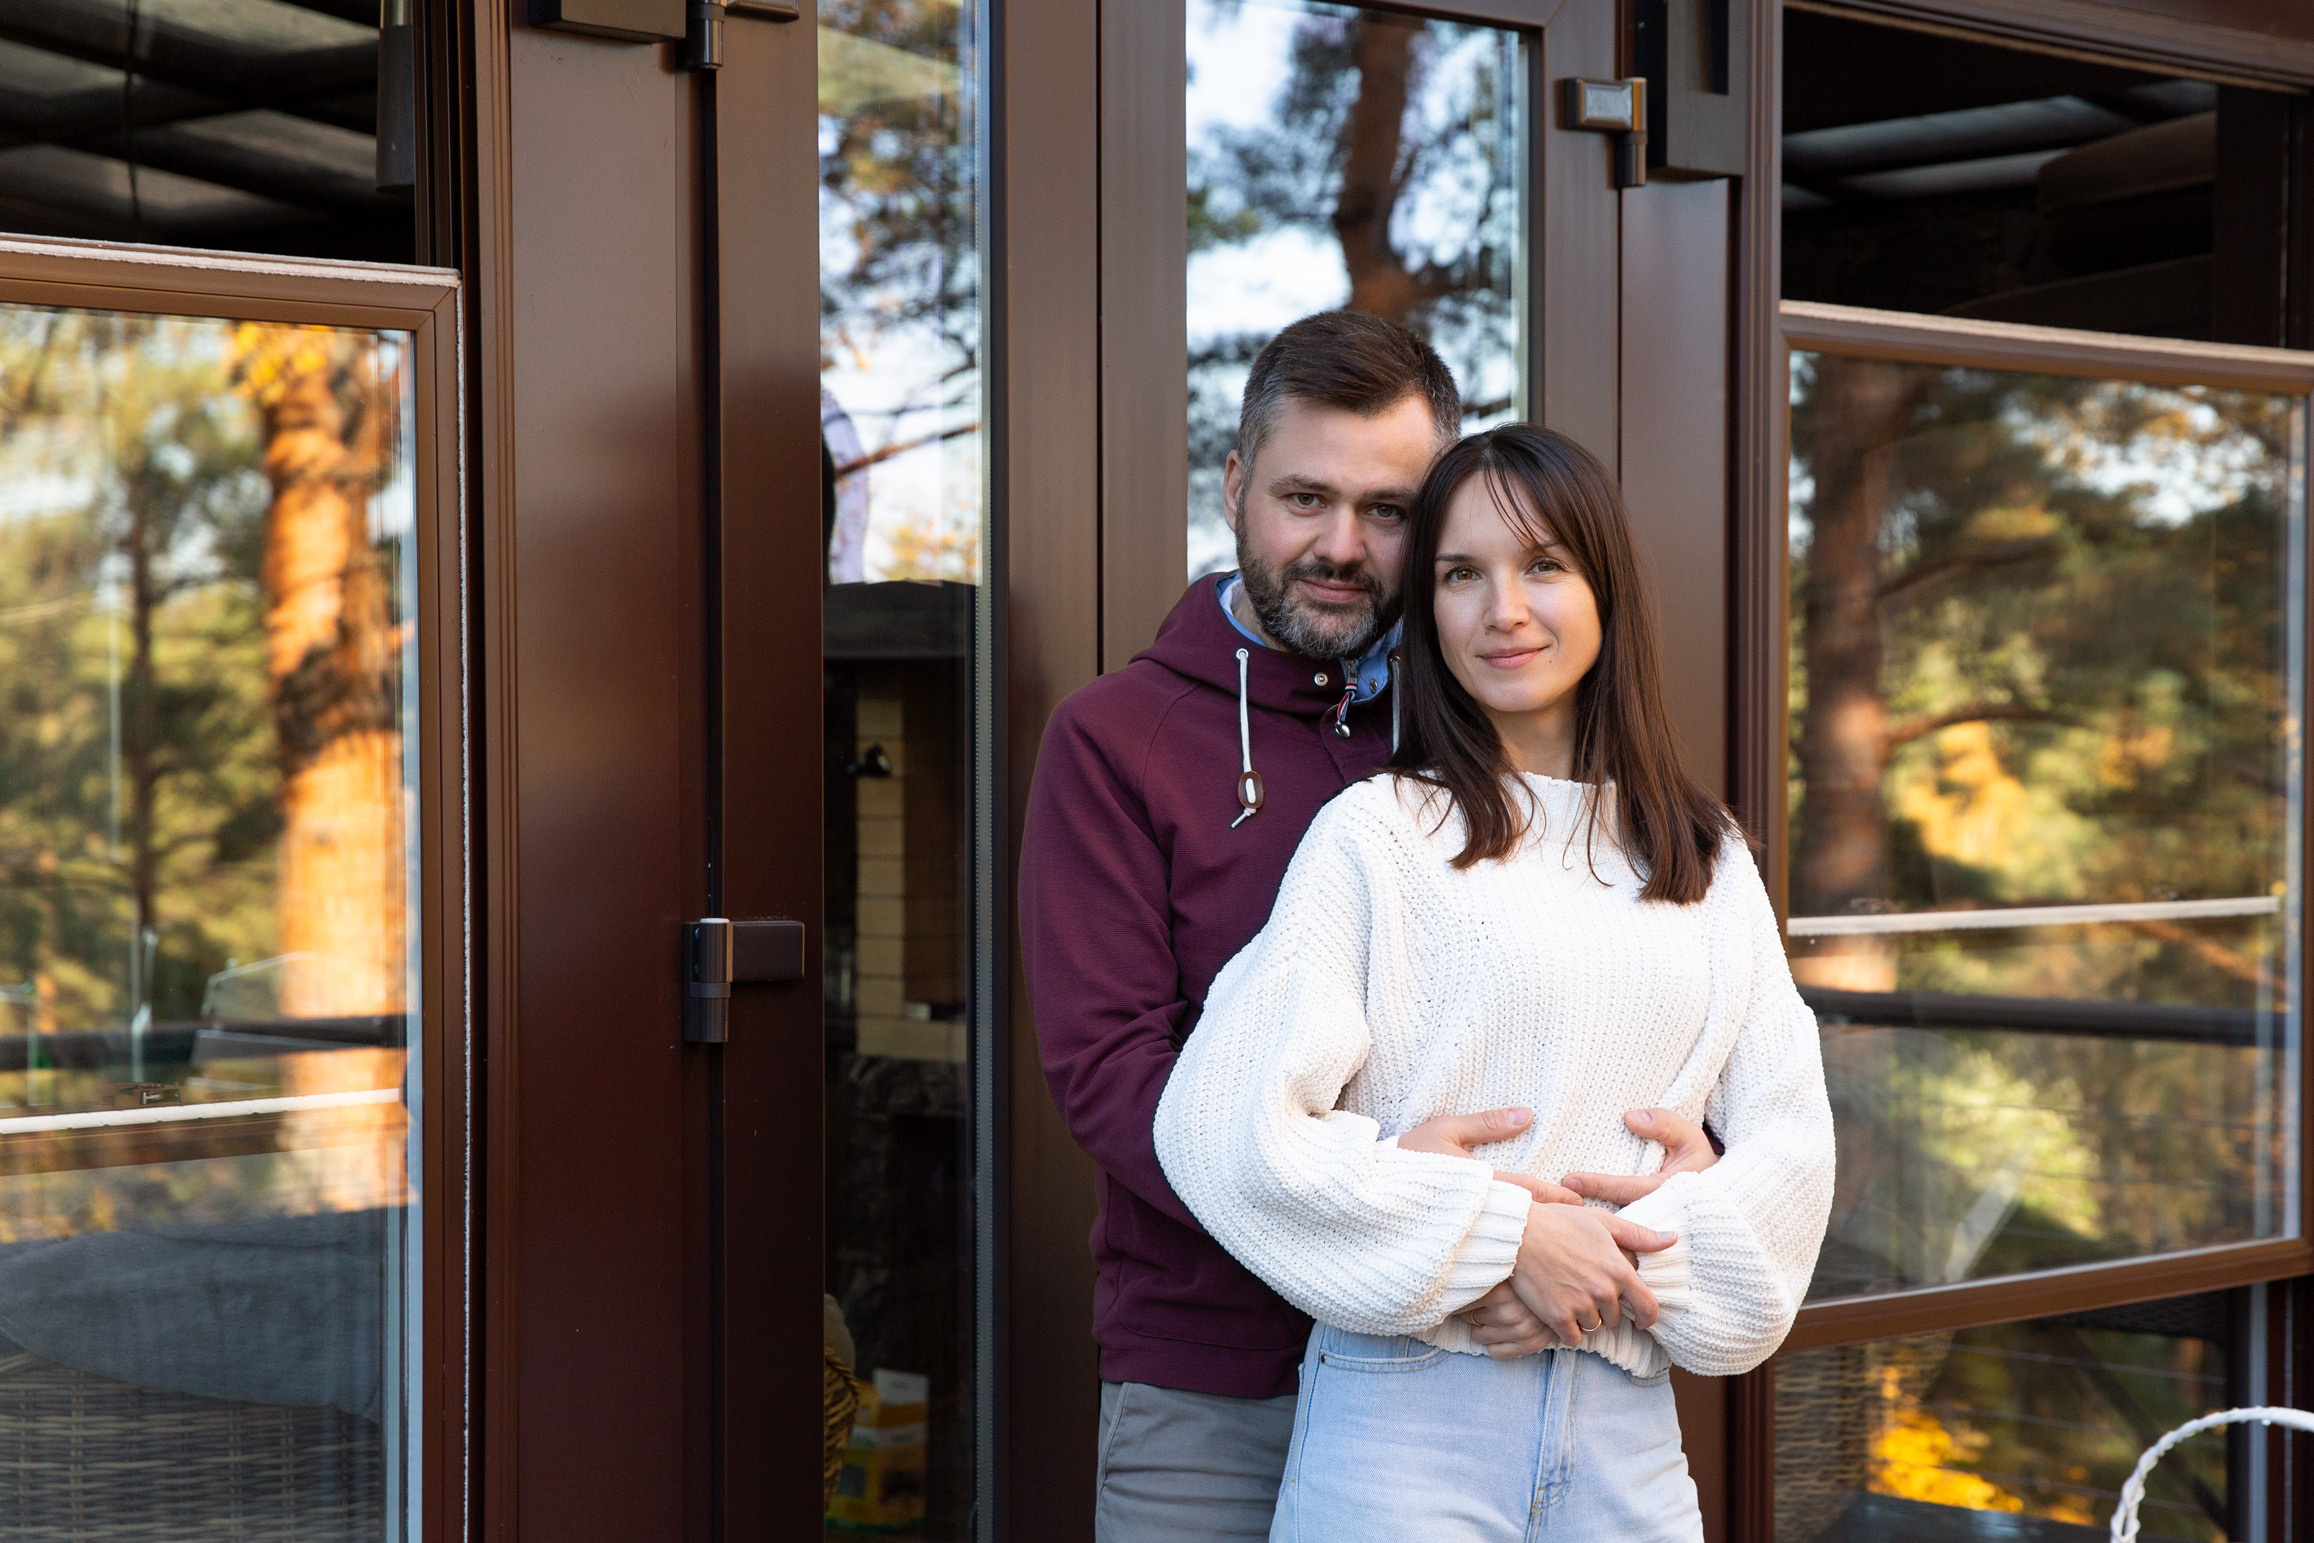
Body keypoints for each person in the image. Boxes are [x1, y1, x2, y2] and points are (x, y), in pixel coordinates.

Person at [1019, 316, 1720, 1540]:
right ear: (1235, 484)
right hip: (1222, 1378)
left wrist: (1684, 1173)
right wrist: (1449, 1230)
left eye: (1388, 511)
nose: (1340, 547)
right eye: (1303, 497)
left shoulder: (1487, 725)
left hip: (1492, 1365)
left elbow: (1617, 991)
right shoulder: (1112, 740)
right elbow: (1113, 1077)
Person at [1154, 424, 1837, 1541]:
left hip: (1627, 1423)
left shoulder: (1702, 854)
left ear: (1604, 586)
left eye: (1542, 566)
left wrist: (1620, 1254)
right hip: (1404, 1422)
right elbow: (1225, 1129)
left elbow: (1789, 1154)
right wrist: (1495, 1238)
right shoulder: (1378, 836)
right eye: (1460, 575)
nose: (1501, 609)